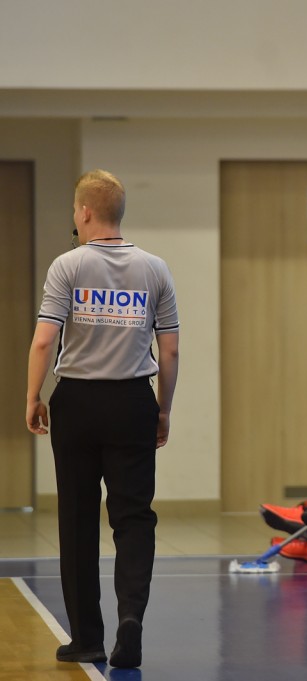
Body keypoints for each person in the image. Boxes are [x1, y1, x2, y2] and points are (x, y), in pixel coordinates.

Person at [26, 170, 179, 669]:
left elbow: (45, 340)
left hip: (77, 402)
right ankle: (130, 618)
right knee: (133, 517)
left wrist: (33, 395)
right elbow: (170, 350)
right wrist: (163, 409)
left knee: (76, 518)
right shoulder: (155, 268)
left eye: (76, 210)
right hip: (133, 401)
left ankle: (87, 637)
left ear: (86, 211)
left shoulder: (67, 265)